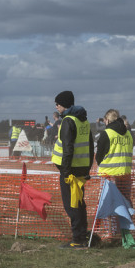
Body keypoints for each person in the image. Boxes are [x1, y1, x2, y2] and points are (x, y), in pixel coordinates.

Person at [51, 90, 93, 248]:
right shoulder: (84, 121)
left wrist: (66, 171)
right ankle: (82, 235)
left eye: (57, 104)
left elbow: (68, 149)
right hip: (81, 168)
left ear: (63, 105)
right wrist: (87, 169)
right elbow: (90, 147)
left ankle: (77, 240)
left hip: (70, 170)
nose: (56, 107)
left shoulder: (68, 121)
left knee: (71, 205)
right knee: (80, 203)